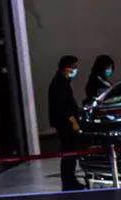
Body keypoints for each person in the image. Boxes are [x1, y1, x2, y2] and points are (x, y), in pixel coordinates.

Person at [48, 55, 84, 191]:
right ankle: (69, 181)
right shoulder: (60, 82)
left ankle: (70, 179)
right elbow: (63, 106)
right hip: (65, 123)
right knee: (69, 151)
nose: (75, 70)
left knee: (70, 152)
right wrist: (73, 121)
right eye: (73, 67)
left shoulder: (63, 81)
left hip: (64, 122)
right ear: (66, 67)